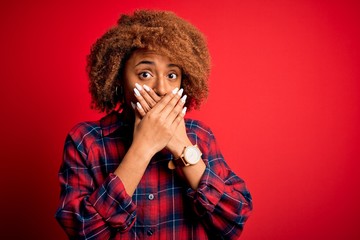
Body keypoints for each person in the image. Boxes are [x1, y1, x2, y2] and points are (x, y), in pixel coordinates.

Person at [55, 9, 252, 239]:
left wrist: (182, 148)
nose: (161, 89)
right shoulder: (86, 141)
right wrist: (143, 147)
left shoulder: (200, 136)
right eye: (145, 73)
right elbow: (83, 232)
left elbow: (233, 223)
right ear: (118, 77)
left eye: (171, 75)